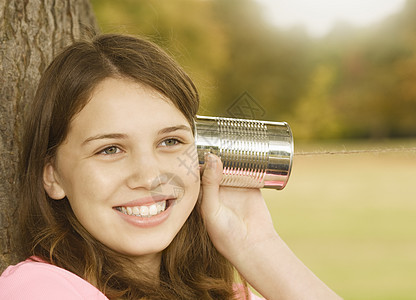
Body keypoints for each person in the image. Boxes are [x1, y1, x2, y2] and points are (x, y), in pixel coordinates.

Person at [0, 33, 341, 300]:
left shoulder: (222, 294)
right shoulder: (37, 290)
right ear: (52, 175)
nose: (150, 177)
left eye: (170, 142)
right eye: (110, 149)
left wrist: (257, 245)